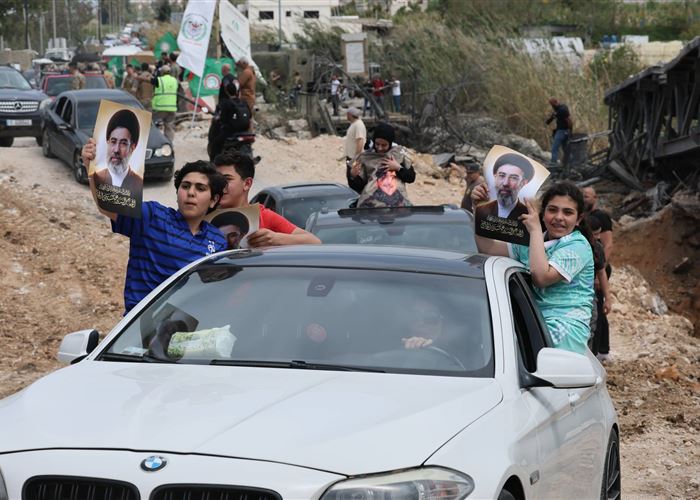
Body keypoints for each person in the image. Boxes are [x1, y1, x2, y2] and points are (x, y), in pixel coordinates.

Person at [83, 140, 227, 313]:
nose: (191, 193)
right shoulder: (153, 216)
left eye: (201, 188)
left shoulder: (218, 240)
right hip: (142, 323)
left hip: (190, 326)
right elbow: (109, 205)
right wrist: (91, 166)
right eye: (185, 186)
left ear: (213, 200)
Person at [472, 181, 595, 354]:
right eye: (552, 210)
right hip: (532, 323)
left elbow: (541, 277)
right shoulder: (534, 240)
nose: (559, 217)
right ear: (543, 214)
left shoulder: (577, 246)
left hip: (564, 330)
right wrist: (479, 208)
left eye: (568, 212)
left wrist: (535, 230)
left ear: (578, 219)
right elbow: (487, 248)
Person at [213, 152, 321, 246]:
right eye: (217, 179)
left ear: (247, 184)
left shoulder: (264, 216)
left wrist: (276, 239)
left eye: (227, 179)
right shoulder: (205, 212)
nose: (219, 185)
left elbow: (314, 241)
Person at [348, 122, 415, 207]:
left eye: (384, 145)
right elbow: (359, 187)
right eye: (377, 144)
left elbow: (411, 178)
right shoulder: (366, 157)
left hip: (398, 207)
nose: (380, 148)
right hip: (372, 207)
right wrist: (353, 176)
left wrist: (398, 168)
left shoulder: (399, 154)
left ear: (390, 143)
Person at [93, 109, 143, 192]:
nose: (116, 150)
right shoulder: (96, 178)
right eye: (113, 142)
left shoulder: (139, 184)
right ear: (108, 142)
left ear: (132, 147)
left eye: (123, 143)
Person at [474, 153, 533, 221]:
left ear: (524, 182)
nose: (505, 183)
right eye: (502, 175)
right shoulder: (481, 209)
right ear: (495, 176)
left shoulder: (528, 216)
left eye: (514, 178)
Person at [586, 214, 614, 361]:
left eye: (598, 234)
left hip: (591, 294)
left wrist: (607, 298)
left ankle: (595, 355)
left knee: (595, 323)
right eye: (594, 234)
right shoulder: (573, 245)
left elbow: (602, 272)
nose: (597, 238)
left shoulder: (597, 248)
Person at [208, 81, 251, 161]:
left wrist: (218, 119)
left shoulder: (226, 103)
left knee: (215, 143)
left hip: (230, 131)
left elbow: (223, 119)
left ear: (226, 92)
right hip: (246, 131)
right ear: (237, 91)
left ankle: (213, 163)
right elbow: (250, 116)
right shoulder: (244, 102)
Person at [582, 186, 613, 262]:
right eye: (581, 197)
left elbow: (608, 245)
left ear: (595, 198)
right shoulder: (581, 216)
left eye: (586, 197)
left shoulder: (601, 216)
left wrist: (602, 266)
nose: (583, 200)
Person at [152, 64, 178, 142]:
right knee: (169, 125)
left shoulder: (159, 80)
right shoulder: (174, 80)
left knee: (153, 124)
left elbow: (151, 81)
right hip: (172, 107)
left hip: (160, 107)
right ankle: (169, 142)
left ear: (162, 72)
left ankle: (156, 141)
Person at [343, 107, 366, 191]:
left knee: (355, 182)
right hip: (351, 158)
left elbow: (360, 141)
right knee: (350, 180)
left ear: (349, 114)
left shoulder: (358, 125)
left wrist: (356, 159)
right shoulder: (354, 124)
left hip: (354, 159)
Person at [546, 98, 573, 168]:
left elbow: (569, 120)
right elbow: (552, 118)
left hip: (562, 131)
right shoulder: (558, 110)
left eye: (552, 104)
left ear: (556, 102)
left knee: (554, 148)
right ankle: (570, 163)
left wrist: (570, 130)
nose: (552, 106)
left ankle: (553, 163)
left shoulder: (562, 109)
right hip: (563, 131)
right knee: (565, 148)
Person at [236, 57, 256, 122]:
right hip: (250, 96)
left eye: (240, 65)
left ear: (244, 63)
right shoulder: (251, 71)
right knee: (249, 116)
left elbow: (239, 83)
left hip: (247, 97)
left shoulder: (246, 72)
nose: (240, 67)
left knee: (246, 116)